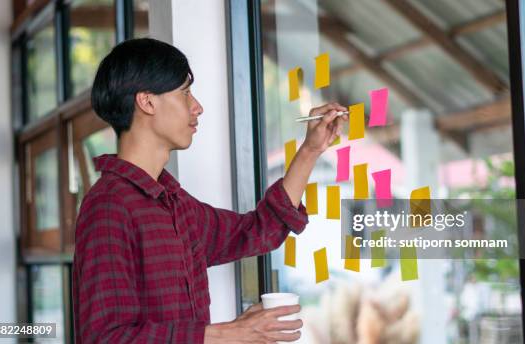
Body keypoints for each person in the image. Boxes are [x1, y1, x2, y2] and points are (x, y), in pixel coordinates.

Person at [72, 37, 347, 343]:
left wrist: (310, 150)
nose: (197, 107)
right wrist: (225, 334)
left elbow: (259, 229)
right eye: (185, 92)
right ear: (147, 101)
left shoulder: (174, 204)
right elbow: (105, 338)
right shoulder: (109, 206)